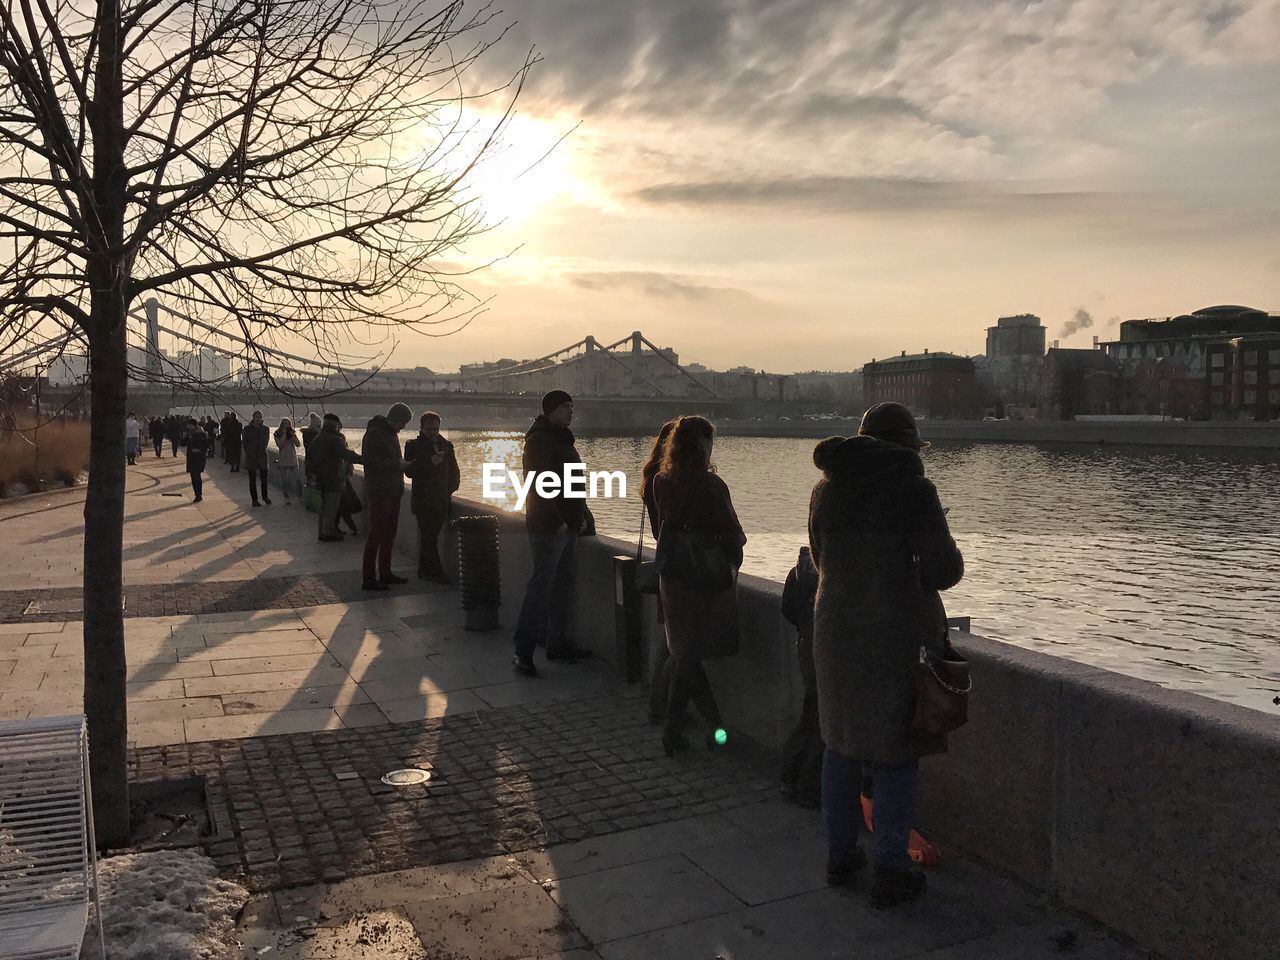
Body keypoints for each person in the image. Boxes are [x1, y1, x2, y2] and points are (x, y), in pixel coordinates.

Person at [808, 401, 963, 908]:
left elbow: (819, 552)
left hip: (834, 628)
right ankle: (891, 870)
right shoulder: (914, 490)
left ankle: (839, 857)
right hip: (895, 632)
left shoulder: (826, 489)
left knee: (840, 745)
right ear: (909, 446)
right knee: (896, 755)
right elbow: (943, 569)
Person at [650, 415, 745, 756]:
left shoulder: (661, 481)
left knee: (684, 654)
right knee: (688, 657)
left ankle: (675, 731)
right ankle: (713, 727)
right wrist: (730, 561)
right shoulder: (712, 486)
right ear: (704, 446)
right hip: (704, 578)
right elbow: (734, 536)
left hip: (673, 577)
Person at [510, 390, 596, 677]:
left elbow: (573, 482)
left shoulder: (561, 439)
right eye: (564, 407)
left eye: (572, 406)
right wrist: (558, 520)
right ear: (550, 411)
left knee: (562, 587)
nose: (570, 411)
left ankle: (557, 643)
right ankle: (522, 651)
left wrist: (581, 515)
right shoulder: (540, 441)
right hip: (549, 528)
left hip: (568, 526)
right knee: (540, 589)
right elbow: (538, 484)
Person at [779, 545, 822, 808]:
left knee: (811, 711)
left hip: (807, 643)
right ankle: (809, 787)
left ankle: (790, 775)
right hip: (826, 647)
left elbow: (788, 607)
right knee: (823, 721)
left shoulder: (802, 568)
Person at [641, 419, 677, 723]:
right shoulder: (667, 480)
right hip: (677, 564)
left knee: (668, 638)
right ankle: (660, 704)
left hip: (664, 560)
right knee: (677, 644)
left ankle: (661, 702)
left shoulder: (651, 477)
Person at [360, 402, 413, 590]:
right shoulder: (374, 434)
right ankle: (368, 578)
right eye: (403, 423)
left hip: (393, 491)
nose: (403, 427)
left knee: (389, 534)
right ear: (394, 418)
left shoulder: (391, 434)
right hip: (380, 491)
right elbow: (370, 461)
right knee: (376, 534)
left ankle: (385, 572)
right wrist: (396, 465)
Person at [404, 412, 460, 583]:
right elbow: (409, 471)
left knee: (430, 536)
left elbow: (454, 472)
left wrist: (449, 491)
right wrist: (430, 463)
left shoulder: (447, 446)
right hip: (423, 500)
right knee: (429, 536)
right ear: (421, 428)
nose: (433, 432)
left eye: (435, 428)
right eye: (429, 429)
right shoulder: (413, 446)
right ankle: (436, 573)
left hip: (441, 499)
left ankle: (423, 570)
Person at [308, 413, 362, 541]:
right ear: (336, 426)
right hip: (333, 478)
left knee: (325, 507)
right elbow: (347, 454)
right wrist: (364, 460)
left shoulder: (318, 438)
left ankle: (322, 532)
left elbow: (309, 456)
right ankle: (328, 533)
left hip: (321, 478)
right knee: (332, 506)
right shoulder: (335, 439)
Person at [241, 411, 272, 506]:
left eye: (260, 417)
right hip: (251, 457)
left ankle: (265, 496)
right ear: (253, 418)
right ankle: (254, 499)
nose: (259, 419)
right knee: (252, 480)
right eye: (257, 417)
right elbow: (244, 443)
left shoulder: (265, 429)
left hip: (262, 457)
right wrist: (250, 452)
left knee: (264, 479)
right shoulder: (247, 429)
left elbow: (265, 442)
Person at [274, 418, 302, 506]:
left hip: (292, 459)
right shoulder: (277, 434)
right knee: (284, 480)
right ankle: (286, 498)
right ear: (282, 425)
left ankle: (300, 496)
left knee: (298, 479)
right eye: (285, 424)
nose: (287, 426)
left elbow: (298, 444)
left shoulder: (292, 433)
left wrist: (292, 435)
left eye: (288, 424)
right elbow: (279, 445)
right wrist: (285, 434)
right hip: (283, 459)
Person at [185, 418, 209, 502]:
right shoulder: (191, 433)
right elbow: (183, 443)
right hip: (191, 457)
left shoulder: (200, 433)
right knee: (193, 476)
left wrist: (198, 450)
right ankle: (196, 493)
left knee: (196, 476)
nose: (189, 427)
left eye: (190, 425)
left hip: (198, 458)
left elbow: (205, 446)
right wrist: (185, 437)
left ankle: (199, 494)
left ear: (194, 425)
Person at [301, 412, 322, 487]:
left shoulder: (306, 434)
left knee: (310, 482)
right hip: (316, 463)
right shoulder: (317, 436)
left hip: (308, 461)